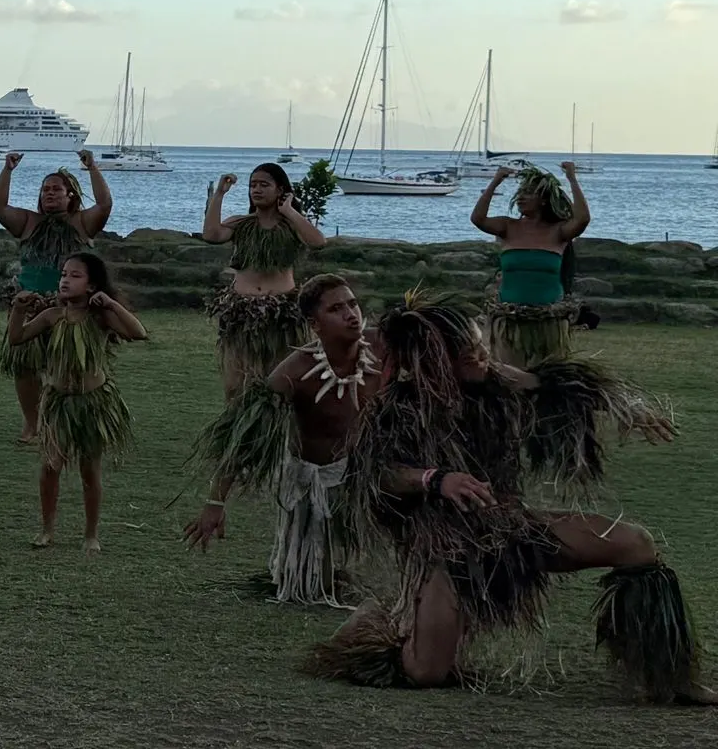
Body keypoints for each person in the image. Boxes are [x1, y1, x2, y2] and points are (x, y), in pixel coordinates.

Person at [307, 293, 707, 703]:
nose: (480, 356)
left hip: (512, 528)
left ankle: (670, 677)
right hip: (447, 551)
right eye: (466, 353)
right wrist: (436, 479)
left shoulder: (494, 379)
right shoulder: (398, 408)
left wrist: (626, 407)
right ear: (435, 362)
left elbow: (552, 386)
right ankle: (377, 619)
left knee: (635, 545)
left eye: (480, 345)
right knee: (425, 671)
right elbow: (374, 474)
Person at [183, 274, 379, 606]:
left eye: (353, 304)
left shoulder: (383, 349)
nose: (351, 314)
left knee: (351, 571)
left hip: (364, 475)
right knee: (308, 586)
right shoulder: (295, 371)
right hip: (311, 480)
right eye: (336, 309)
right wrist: (215, 503)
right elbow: (244, 441)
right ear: (315, 325)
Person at [8, 253, 147, 553]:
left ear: (92, 284)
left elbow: (138, 332)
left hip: (93, 404)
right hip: (58, 403)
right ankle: (46, 529)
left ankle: (91, 534)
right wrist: (18, 310)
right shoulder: (51, 316)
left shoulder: (100, 318)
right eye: (63, 275)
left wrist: (111, 304)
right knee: (49, 466)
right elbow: (17, 338)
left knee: (89, 470)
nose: (65, 280)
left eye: (75, 275)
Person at [0, 151, 112, 443]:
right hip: (29, 304)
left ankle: (65, 419)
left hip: (69, 307)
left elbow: (105, 203)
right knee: (25, 365)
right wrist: (7, 170)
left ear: (71, 195)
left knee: (68, 364)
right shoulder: (29, 223)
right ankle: (32, 424)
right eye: (45, 189)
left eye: (57, 189)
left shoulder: (82, 223)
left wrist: (92, 167)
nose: (50, 194)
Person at [200, 163, 327, 397]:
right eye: (252, 185)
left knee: (281, 380)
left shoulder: (291, 225)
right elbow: (211, 234)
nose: (256, 190)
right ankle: (239, 428)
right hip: (243, 312)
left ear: (280, 190)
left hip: (282, 314)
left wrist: (289, 211)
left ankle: (280, 430)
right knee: (238, 383)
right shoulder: (241, 223)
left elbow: (317, 241)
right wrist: (219, 194)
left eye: (264, 185)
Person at [470, 161, 590, 367]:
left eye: (528, 193)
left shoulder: (559, 231)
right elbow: (478, 218)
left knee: (547, 379)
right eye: (519, 193)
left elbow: (582, 218)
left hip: (548, 324)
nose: (521, 197)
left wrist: (571, 177)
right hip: (509, 323)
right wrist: (496, 181)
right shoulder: (508, 226)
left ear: (543, 200)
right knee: (507, 376)